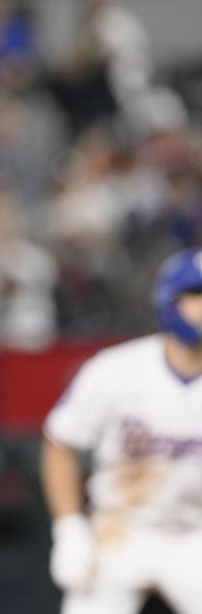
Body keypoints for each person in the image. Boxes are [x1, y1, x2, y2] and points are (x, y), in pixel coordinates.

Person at [41, 248, 202, 613]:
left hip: (195, 535)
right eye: (195, 295)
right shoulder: (117, 370)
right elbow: (60, 443)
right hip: (122, 529)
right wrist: (69, 528)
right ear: (170, 301)